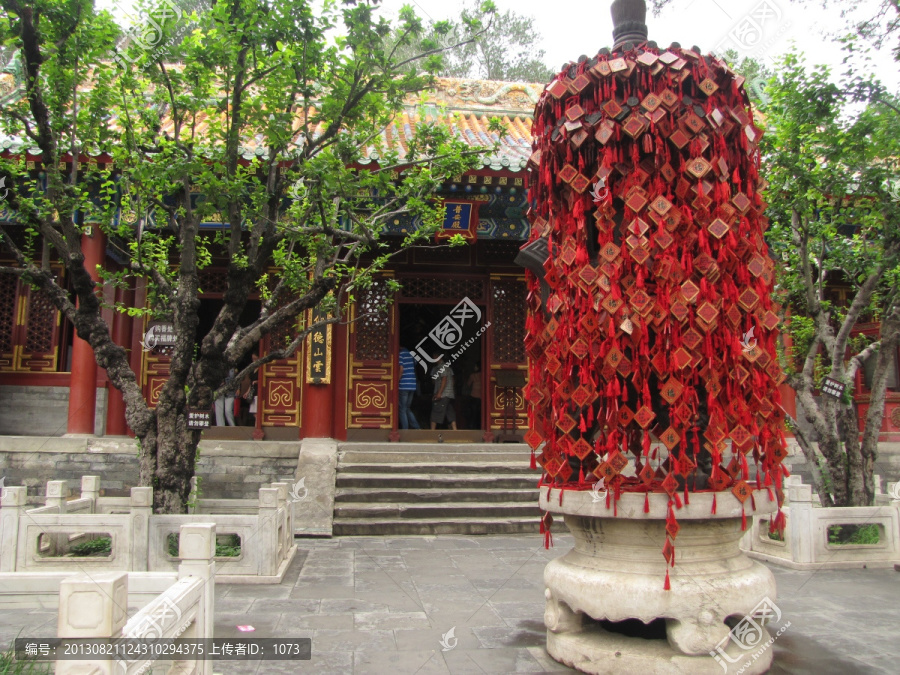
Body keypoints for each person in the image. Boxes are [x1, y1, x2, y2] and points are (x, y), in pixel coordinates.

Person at [430, 354, 457, 431]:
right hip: (448, 394)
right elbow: (452, 381)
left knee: (435, 412)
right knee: (449, 412)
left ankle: (432, 432)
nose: (433, 359)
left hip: (443, 394)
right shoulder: (448, 367)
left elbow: (444, 380)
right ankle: (455, 430)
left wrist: (439, 393)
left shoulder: (441, 367)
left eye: (434, 357)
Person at [398, 346, 420, 430]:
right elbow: (415, 364)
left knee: (402, 409)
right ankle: (417, 427)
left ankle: (405, 430)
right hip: (412, 384)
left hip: (404, 384)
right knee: (407, 408)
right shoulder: (412, 354)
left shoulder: (401, 354)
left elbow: (401, 369)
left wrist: (396, 381)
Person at [466, 362, 482, 429]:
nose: (474, 368)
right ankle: (480, 426)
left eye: (475, 366)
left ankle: (472, 426)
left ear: (478, 367)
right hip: (482, 396)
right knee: (480, 413)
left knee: (473, 413)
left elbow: (468, 384)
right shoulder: (483, 375)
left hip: (474, 396)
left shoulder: (473, 376)